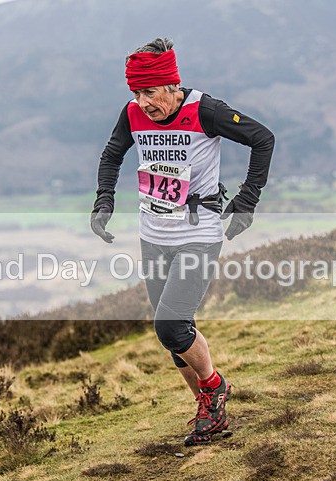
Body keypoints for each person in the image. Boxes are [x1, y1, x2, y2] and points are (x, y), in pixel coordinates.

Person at [91, 37, 274, 445]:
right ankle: (209, 412)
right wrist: (104, 199)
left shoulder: (205, 110)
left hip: (198, 233)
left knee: (171, 324)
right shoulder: (132, 113)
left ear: (172, 84)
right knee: (173, 337)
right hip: (153, 235)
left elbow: (263, 139)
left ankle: (215, 386)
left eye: (150, 92)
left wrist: (247, 200)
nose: (143, 102)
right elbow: (112, 154)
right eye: (136, 93)